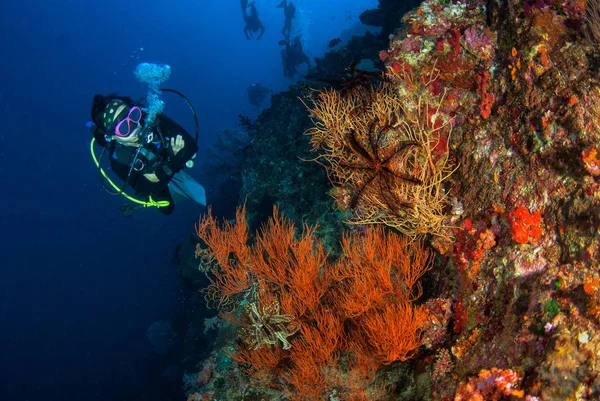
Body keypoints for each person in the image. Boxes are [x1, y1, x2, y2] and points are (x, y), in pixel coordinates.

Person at [89, 94, 204, 215]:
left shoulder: (149, 118)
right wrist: (176, 160)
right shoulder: (119, 161)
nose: (135, 126)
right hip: (162, 165)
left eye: (133, 115)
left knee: (189, 158)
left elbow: (191, 146)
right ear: (111, 136)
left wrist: (161, 173)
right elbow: (146, 189)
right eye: (123, 128)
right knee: (166, 207)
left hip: (164, 164)